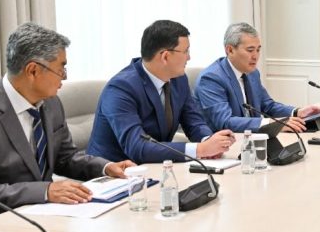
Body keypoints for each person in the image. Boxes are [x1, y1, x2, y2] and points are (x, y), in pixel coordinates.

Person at [0, 23, 134, 224]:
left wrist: (106, 167)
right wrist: (44, 191)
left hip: (43, 216)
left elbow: (65, 158)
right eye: (61, 69)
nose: (64, 77)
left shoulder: (51, 103)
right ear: (33, 70)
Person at [87, 20, 234, 163]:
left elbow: (193, 121)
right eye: (186, 51)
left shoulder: (178, 79)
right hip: (114, 172)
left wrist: (209, 141)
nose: (189, 57)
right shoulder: (121, 88)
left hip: (155, 166)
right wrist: (200, 149)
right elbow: (136, 147)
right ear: (165, 56)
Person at [196, 23, 320, 133]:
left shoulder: (252, 73)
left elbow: (267, 106)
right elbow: (225, 122)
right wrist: (272, 124)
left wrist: (297, 112)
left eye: (258, 50)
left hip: (253, 140)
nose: (255, 56)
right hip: (224, 144)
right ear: (230, 50)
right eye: (250, 50)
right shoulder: (211, 79)